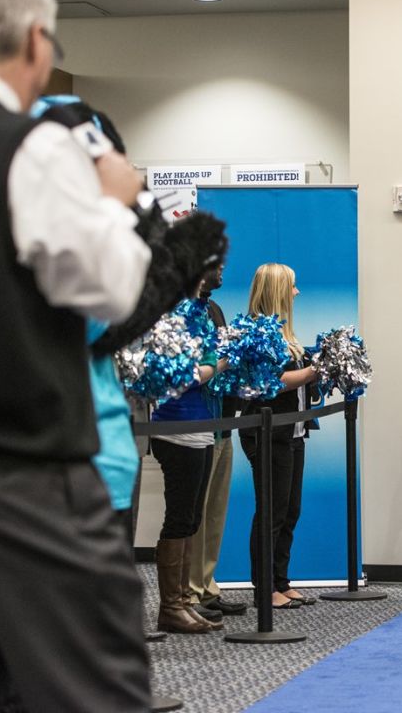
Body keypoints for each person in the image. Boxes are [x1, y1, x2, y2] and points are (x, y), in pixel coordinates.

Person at [0, 0, 152, 708]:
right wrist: (114, 203)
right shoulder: (30, 146)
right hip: (24, 474)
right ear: (37, 42)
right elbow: (111, 289)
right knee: (92, 688)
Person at [238, 263, 320, 609]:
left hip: (293, 431)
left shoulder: (286, 332)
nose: (297, 293)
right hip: (267, 432)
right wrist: (314, 370)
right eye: (293, 286)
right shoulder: (258, 332)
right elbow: (275, 381)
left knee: (289, 509)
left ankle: (281, 580)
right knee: (271, 510)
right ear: (277, 291)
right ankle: (264, 587)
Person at [148, 298, 232, 633]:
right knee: (180, 516)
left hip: (201, 429)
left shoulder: (201, 314)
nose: (220, 269)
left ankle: (183, 601)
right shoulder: (171, 316)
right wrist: (221, 362)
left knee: (192, 518)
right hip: (175, 429)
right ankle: (171, 606)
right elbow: (184, 376)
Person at [186, 264, 249, 618]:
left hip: (223, 421)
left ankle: (207, 586)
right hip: (193, 423)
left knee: (214, 511)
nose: (224, 265)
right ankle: (189, 593)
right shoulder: (181, 310)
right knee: (193, 512)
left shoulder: (214, 309)